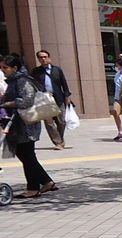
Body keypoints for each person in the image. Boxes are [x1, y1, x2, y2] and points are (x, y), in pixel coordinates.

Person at [0, 54, 58, 198]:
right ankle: (46, 181)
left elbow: (27, 100)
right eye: (1, 68)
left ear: (15, 68)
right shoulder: (14, 80)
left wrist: (9, 103)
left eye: (5, 68)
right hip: (17, 123)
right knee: (26, 155)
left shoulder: (22, 81)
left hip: (26, 125)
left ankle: (33, 187)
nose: (3, 70)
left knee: (27, 155)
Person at [31, 49, 72, 149]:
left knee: (61, 121)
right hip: (44, 100)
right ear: (38, 59)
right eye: (41, 57)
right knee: (49, 123)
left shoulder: (57, 70)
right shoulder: (36, 71)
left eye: (45, 57)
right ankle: (57, 142)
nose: (43, 59)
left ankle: (60, 139)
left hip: (58, 98)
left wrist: (67, 96)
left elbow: (64, 84)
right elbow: (32, 85)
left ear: (49, 57)